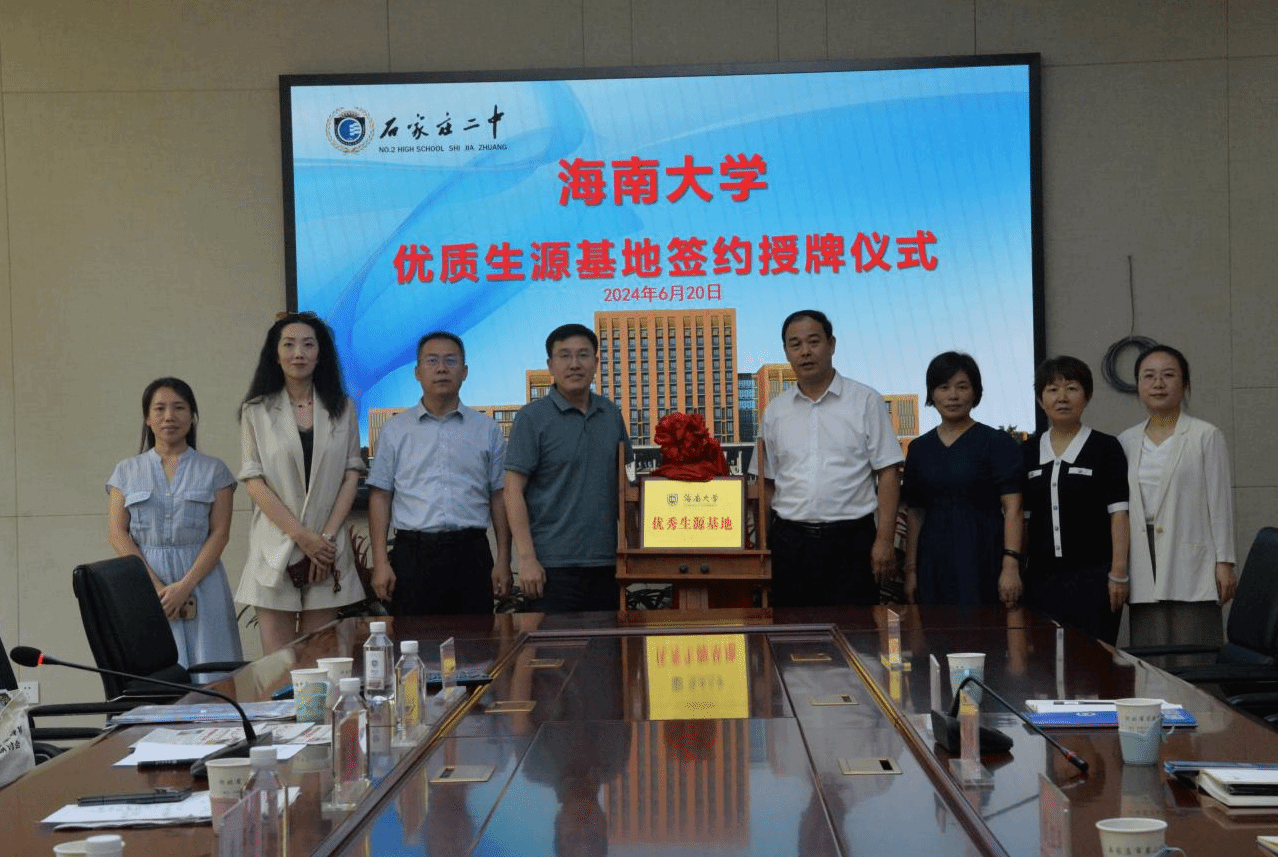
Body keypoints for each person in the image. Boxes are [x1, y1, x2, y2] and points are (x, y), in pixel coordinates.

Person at [749, 309, 903, 607]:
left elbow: (888, 472)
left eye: (813, 341)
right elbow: (766, 484)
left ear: (831, 345)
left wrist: (885, 540)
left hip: (852, 542)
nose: (805, 352)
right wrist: (763, 546)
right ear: (786, 351)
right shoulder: (775, 412)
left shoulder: (865, 401)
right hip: (790, 543)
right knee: (793, 630)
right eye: (795, 344)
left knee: (856, 631)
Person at [235, 312, 366, 654]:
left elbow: (351, 475)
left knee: (319, 660)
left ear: (321, 354)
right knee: (278, 664)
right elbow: (254, 481)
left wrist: (325, 540)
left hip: (326, 549)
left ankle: (314, 706)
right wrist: (302, 537)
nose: (298, 353)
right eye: (289, 345)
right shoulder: (256, 411)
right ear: (275, 354)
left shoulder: (343, 408)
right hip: (276, 545)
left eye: (308, 345)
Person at [366, 331, 511, 615]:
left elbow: (499, 496)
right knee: (413, 640)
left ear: (464, 371)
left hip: (471, 553)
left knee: (477, 640)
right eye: (432, 361)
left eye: (450, 361)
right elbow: (380, 496)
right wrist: (381, 562)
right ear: (417, 372)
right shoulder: (396, 430)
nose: (442, 369)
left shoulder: (486, 429)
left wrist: (504, 560)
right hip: (413, 555)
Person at [107, 377, 242, 678]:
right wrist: (155, 588)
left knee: (212, 675)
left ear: (192, 417)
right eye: (160, 409)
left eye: (179, 408)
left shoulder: (215, 470)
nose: (169, 416)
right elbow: (117, 534)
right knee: (156, 676)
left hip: (202, 581)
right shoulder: (125, 472)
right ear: (147, 418)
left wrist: (185, 586)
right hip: (144, 583)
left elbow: (220, 534)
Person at [505, 323, 631, 612]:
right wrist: (526, 559)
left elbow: (625, 485)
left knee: (606, 641)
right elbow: (512, 492)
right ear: (551, 365)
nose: (575, 364)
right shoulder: (531, 418)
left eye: (583, 355)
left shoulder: (611, 415)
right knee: (553, 642)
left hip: (606, 563)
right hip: (550, 567)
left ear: (595, 363)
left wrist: (635, 550)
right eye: (564, 356)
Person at [1119, 344, 1236, 648]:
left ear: (1184, 385)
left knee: (1195, 647)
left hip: (1191, 553)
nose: (1158, 383)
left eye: (1168, 375)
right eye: (1148, 376)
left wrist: (1224, 561)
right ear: (1138, 386)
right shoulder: (1126, 441)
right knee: (1150, 650)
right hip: (1142, 554)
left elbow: (1220, 503)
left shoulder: (1205, 435)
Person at [1021, 356, 1130, 644]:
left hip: (1094, 578)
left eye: (1071, 388)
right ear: (1040, 399)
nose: (1062, 397)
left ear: (1087, 396)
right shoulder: (1028, 451)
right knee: (1044, 659)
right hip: (1040, 580)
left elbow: (1119, 514)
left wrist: (1118, 573)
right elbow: (1023, 519)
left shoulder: (1106, 448)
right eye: (1052, 389)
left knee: (1094, 659)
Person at [904, 352, 1023, 607]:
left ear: (975, 392)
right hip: (933, 560)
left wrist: (1011, 563)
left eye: (962, 387)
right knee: (935, 628)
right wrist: (911, 570)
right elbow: (915, 514)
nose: (953, 395)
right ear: (932, 393)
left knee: (986, 628)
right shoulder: (919, 449)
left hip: (984, 556)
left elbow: (1013, 508)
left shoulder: (997, 443)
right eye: (943, 387)